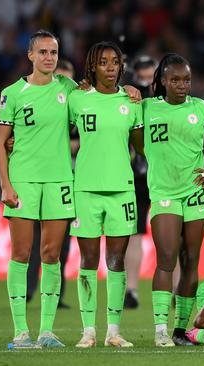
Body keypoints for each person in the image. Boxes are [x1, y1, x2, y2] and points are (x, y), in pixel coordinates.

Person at [143, 53, 204, 347]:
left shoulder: (202, 108)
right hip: (164, 193)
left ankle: (180, 331)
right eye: (175, 79)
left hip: (196, 192)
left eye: (186, 79)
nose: (182, 85)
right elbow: (129, 134)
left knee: (191, 261)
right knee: (168, 257)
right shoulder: (146, 108)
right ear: (162, 81)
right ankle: (160, 329)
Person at [0, 30, 77, 348]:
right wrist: (6, 184)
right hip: (24, 180)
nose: (48, 57)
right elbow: (0, 144)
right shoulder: (12, 94)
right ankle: (20, 332)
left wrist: (129, 90)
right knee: (20, 254)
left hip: (59, 180)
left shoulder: (69, 89)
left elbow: (102, 96)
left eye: (53, 52)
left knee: (52, 254)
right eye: (42, 52)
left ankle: (46, 331)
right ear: (30, 55)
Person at [69, 41, 144, 348]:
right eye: (104, 62)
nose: (110, 67)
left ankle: (113, 331)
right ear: (92, 66)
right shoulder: (76, 99)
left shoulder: (132, 101)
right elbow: (54, 133)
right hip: (85, 189)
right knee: (87, 260)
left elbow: (141, 147)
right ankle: (89, 331)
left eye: (115, 62)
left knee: (116, 261)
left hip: (122, 191)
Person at [25, 59, 76, 310]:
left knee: (62, 245)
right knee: (35, 241)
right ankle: (27, 290)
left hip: (69, 182)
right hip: (39, 178)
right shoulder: (41, 106)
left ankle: (57, 294)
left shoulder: (76, 110)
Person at [124, 55, 157, 309]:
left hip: (160, 175)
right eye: (142, 74)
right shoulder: (131, 98)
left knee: (173, 236)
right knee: (135, 233)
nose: (146, 79)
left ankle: (177, 291)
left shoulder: (130, 96)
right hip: (138, 177)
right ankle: (131, 290)